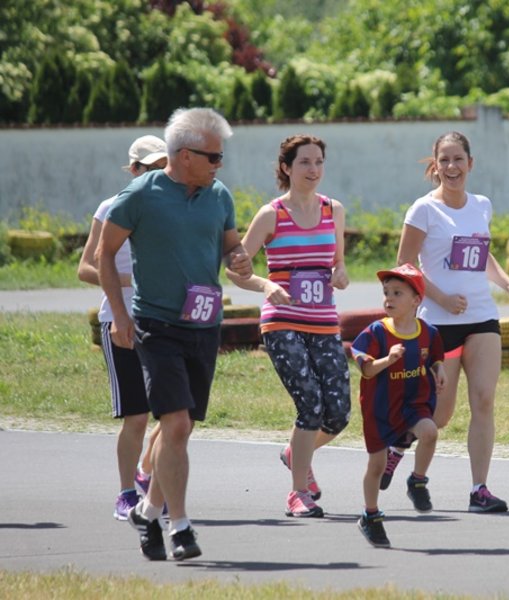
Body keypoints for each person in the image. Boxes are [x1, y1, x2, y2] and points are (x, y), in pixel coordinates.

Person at [98, 107, 252, 561]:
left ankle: (147, 512)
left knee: (178, 432)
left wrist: (240, 258)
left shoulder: (219, 195)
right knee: (176, 423)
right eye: (213, 157)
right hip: (156, 324)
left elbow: (231, 246)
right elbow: (105, 254)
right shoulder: (141, 195)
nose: (219, 165)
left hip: (204, 325)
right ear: (184, 155)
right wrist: (122, 318)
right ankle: (180, 526)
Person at [391, 131, 509, 513]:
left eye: (459, 159)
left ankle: (479, 489)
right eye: (445, 160)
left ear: (471, 163)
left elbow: (483, 256)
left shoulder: (481, 205)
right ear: (435, 166)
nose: (452, 167)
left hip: (482, 316)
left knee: (484, 400)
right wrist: (441, 298)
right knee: (440, 413)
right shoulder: (423, 210)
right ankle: (405, 456)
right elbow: (404, 266)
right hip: (438, 321)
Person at [225, 134, 351, 519]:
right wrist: (266, 285)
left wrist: (341, 272)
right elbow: (235, 270)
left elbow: (337, 262)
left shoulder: (335, 210)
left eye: (318, 162)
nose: (313, 170)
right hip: (282, 323)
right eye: (304, 163)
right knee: (309, 404)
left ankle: (295, 452)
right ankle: (298, 492)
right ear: (286, 168)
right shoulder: (271, 215)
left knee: (339, 413)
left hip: (324, 323)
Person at [78, 135, 166, 520]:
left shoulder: (173, 209)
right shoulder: (111, 207)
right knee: (137, 416)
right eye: (149, 168)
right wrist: (131, 280)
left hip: (165, 322)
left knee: (175, 414)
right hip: (121, 320)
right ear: (134, 170)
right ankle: (126, 492)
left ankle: (148, 473)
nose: (156, 175)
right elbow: (85, 268)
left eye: (164, 168)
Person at [351, 263, 446, 547]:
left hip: (414, 402)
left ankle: (417, 481)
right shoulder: (375, 333)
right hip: (380, 409)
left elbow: (435, 356)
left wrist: (439, 369)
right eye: (386, 293)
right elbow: (366, 370)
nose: (388, 299)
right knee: (377, 466)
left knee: (430, 431)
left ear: (417, 300)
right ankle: (370, 514)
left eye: (397, 293)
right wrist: (387, 360)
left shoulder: (428, 332)